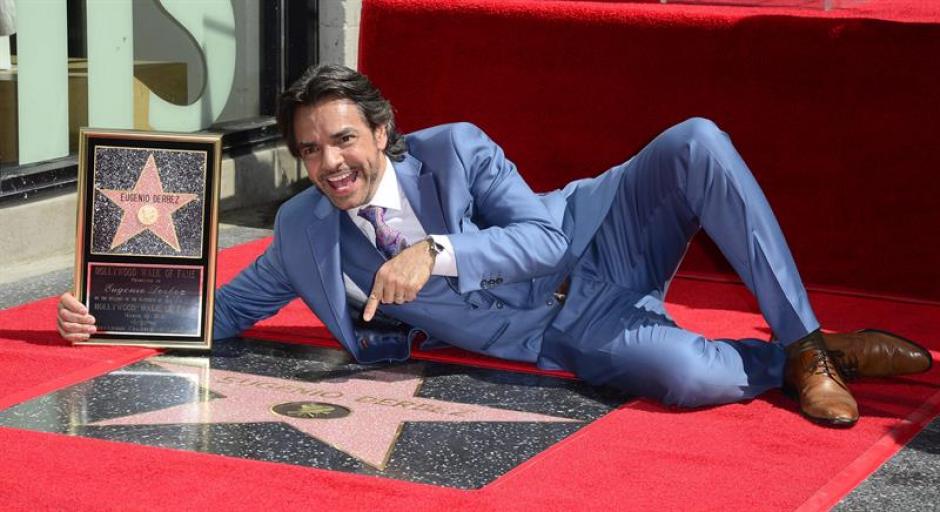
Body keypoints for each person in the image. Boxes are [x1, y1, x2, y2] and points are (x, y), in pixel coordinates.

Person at [57, 64, 932, 427]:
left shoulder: (456, 149)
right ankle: (790, 361)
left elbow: (545, 234)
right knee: (693, 379)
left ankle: (807, 343)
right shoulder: (302, 232)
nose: (329, 164)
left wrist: (435, 253)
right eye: (311, 151)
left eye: (343, 142)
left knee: (698, 138)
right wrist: (110, 313)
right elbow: (229, 314)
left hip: (597, 239)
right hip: (564, 333)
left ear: (383, 132)